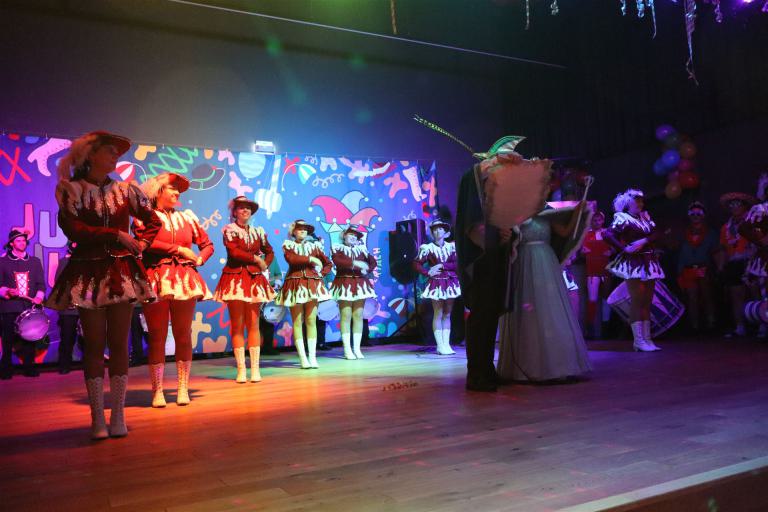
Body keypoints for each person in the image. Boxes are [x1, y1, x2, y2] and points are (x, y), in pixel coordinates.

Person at [46, 131, 161, 439]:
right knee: (95, 345)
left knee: (120, 343)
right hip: (88, 272)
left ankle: (118, 415)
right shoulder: (71, 189)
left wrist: (141, 244)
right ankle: (97, 418)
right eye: (109, 151)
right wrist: (116, 235)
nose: (115, 156)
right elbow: (74, 230)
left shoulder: (125, 190)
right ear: (91, 155)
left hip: (121, 272)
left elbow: (153, 221)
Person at [455, 144, 547, 392]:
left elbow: (505, 218)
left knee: (491, 313)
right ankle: (476, 374)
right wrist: (495, 234)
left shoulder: (496, 196)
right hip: (481, 260)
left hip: (496, 258)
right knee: (481, 315)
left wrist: (508, 233)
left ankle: (487, 369)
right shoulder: (474, 178)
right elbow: (475, 225)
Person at [133, 173, 214, 406]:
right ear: (157, 191)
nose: (177, 193)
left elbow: (207, 244)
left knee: (183, 333)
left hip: (184, 279)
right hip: (156, 277)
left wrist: (199, 259)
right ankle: (157, 390)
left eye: (178, 189)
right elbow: (145, 243)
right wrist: (179, 250)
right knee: (157, 335)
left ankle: (182, 388)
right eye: (172, 188)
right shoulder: (144, 217)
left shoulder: (187, 218)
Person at [496, 201, 592, 382]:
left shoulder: (546, 211)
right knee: (528, 310)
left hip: (546, 261)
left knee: (549, 308)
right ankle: (528, 365)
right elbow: (509, 238)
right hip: (524, 261)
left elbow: (564, 232)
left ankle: (557, 366)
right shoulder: (516, 210)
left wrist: (577, 213)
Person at [213, 196, 275, 383]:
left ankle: (255, 369)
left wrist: (265, 264)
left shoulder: (258, 232)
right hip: (235, 279)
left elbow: (269, 251)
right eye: (241, 208)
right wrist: (256, 259)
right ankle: (241, 369)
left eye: (248, 208)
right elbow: (234, 252)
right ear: (235, 212)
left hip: (254, 279)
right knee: (237, 325)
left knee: (254, 324)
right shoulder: (229, 230)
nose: (245, 210)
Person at [604, 189, 664, 352]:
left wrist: (643, 241)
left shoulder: (645, 217)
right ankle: (638, 341)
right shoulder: (623, 218)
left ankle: (647, 339)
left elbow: (658, 233)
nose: (640, 204)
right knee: (637, 301)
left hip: (649, 260)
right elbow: (608, 234)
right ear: (628, 203)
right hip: (634, 263)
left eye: (641, 201)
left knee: (647, 301)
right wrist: (624, 248)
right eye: (637, 201)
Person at [274, 219, 332, 369]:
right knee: (297, 322)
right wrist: (311, 259)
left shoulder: (315, 246)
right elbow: (292, 260)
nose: (303, 231)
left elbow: (328, 263)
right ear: (293, 231)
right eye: (299, 229)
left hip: (312, 285)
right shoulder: (288, 245)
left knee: (311, 320)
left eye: (305, 229)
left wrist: (320, 274)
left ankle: (312, 357)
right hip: (295, 285)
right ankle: (302, 358)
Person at [0, 229, 46, 379]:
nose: (22, 243)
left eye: (24, 241)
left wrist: (38, 297)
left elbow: (41, 284)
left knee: (29, 338)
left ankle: (29, 368)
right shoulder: (2, 261)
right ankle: (6, 369)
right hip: (9, 307)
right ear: (11, 244)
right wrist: (7, 291)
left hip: (28, 307)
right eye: (18, 241)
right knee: (7, 339)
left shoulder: (34, 261)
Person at [414, 220, 461, 355]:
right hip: (436, 282)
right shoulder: (427, 248)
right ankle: (440, 345)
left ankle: (447, 344)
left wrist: (442, 265)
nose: (437, 231)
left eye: (440, 229)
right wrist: (427, 272)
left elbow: (457, 264)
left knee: (447, 313)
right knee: (438, 312)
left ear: (446, 233)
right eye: (435, 229)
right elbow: (416, 263)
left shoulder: (451, 247)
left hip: (450, 281)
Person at [330, 226, 377, 359]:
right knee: (346, 315)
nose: (353, 237)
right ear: (344, 236)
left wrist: (366, 270)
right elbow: (339, 262)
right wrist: (356, 263)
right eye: (350, 234)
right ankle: (347, 349)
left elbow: (373, 262)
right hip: (344, 283)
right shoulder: (337, 248)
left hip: (360, 283)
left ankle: (357, 348)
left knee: (358, 315)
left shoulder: (362, 249)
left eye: (355, 236)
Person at [717, 192, 758, 337]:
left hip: (751, 261)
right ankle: (740, 327)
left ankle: (762, 325)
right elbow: (723, 248)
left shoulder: (753, 221)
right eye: (731, 205)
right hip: (734, 263)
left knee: (755, 292)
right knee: (736, 295)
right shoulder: (725, 227)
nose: (734, 207)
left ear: (744, 206)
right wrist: (721, 266)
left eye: (738, 204)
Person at [676, 201, 718, 333]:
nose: (695, 216)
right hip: (688, 269)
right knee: (692, 298)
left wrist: (716, 269)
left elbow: (716, 252)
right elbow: (681, 253)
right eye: (693, 214)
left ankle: (711, 323)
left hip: (704, 268)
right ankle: (694, 327)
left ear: (703, 216)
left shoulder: (710, 233)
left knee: (707, 296)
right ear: (689, 216)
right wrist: (680, 271)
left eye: (698, 214)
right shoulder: (683, 233)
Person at [581, 210, 614, 338]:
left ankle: (606, 331)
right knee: (592, 299)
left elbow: (616, 247)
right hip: (592, 271)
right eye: (594, 220)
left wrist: (611, 251)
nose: (597, 222)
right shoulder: (586, 234)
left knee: (606, 300)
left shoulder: (607, 233)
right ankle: (590, 331)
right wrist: (582, 251)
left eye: (599, 220)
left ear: (603, 220)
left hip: (605, 271)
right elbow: (580, 251)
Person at [54, 243, 80, 374]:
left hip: (85, 306)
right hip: (69, 307)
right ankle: (64, 364)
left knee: (89, 337)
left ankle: (90, 365)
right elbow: (59, 284)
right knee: (67, 337)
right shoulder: (64, 262)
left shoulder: (88, 261)